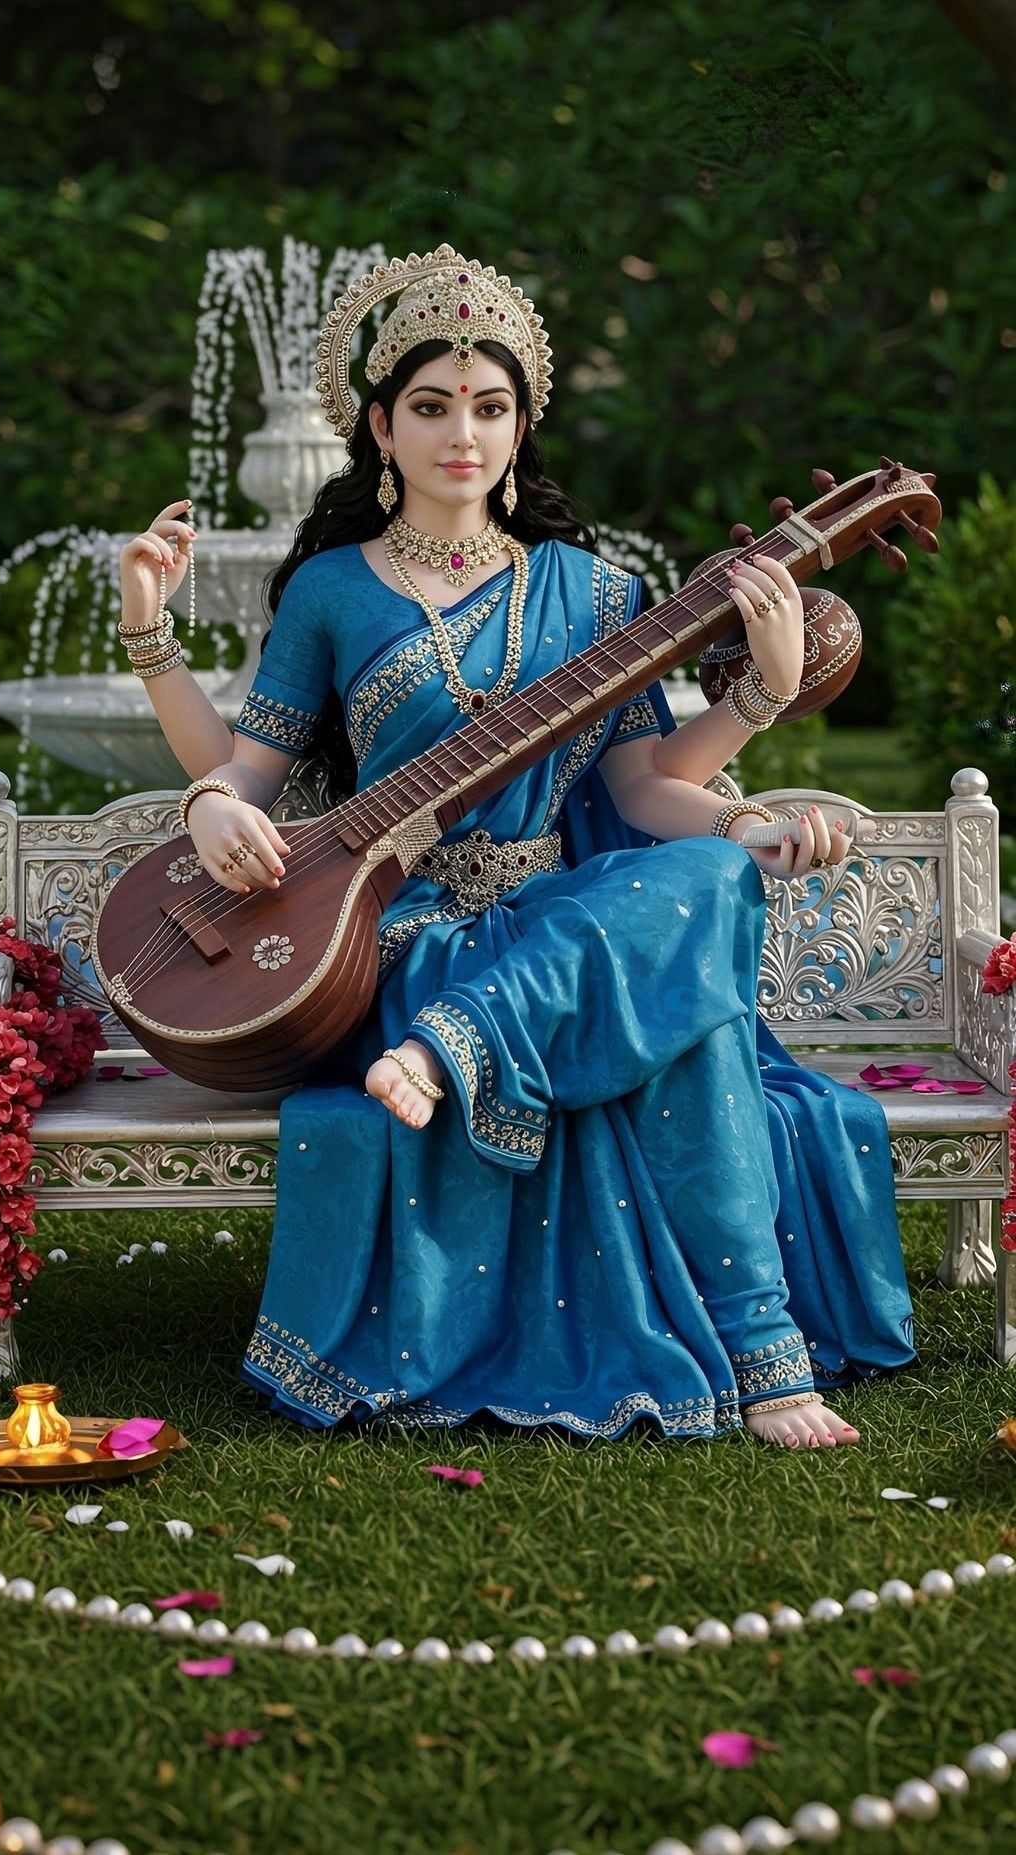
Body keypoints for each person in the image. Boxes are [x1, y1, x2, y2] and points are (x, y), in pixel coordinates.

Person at [117, 243, 916, 1448]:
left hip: (556, 913)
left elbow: (646, 790)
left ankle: (465, 1056)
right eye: (432, 408)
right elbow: (243, 773)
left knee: (701, 878)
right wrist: (200, 774)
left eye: (491, 408)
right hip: (409, 936)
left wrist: (754, 730)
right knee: (679, 1001)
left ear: (521, 424)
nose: (463, 435)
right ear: (381, 427)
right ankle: (764, 1353)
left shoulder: (596, 592)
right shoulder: (333, 591)